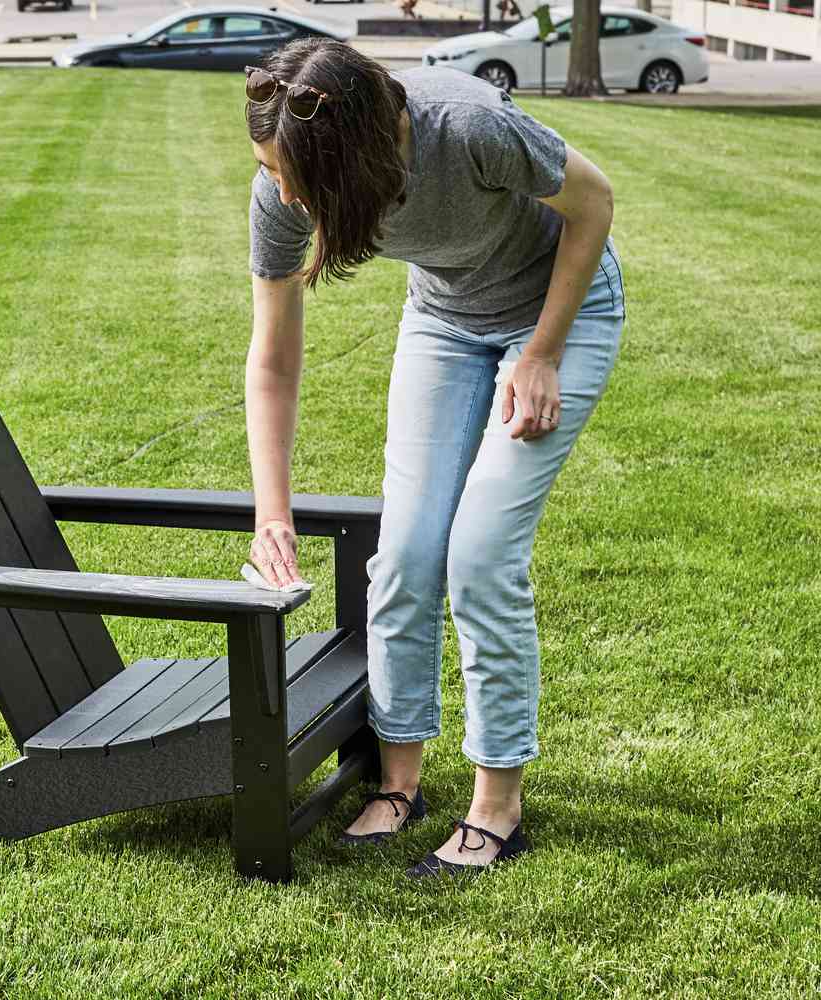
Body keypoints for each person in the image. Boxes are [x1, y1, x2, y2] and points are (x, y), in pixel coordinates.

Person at [242, 39, 625, 878]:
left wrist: (541, 355)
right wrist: (274, 513)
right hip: (446, 323)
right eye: (271, 169)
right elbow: (272, 359)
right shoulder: (284, 186)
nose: (284, 192)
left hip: (561, 310)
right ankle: (400, 780)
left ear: (357, 154)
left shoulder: (470, 127)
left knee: (481, 553)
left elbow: (593, 203)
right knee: (408, 553)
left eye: (295, 174)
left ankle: (497, 804)